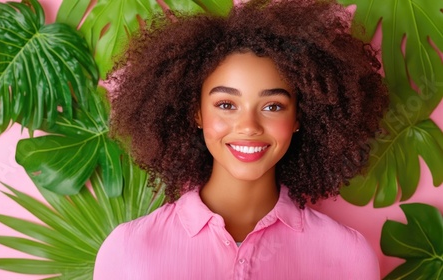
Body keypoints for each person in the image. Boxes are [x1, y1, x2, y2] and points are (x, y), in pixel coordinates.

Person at [94, 0, 389, 279]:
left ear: (300, 116)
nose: (248, 127)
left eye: (273, 106)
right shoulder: (129, 251)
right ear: (196, 112)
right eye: (226, 104)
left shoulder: (347, 255)